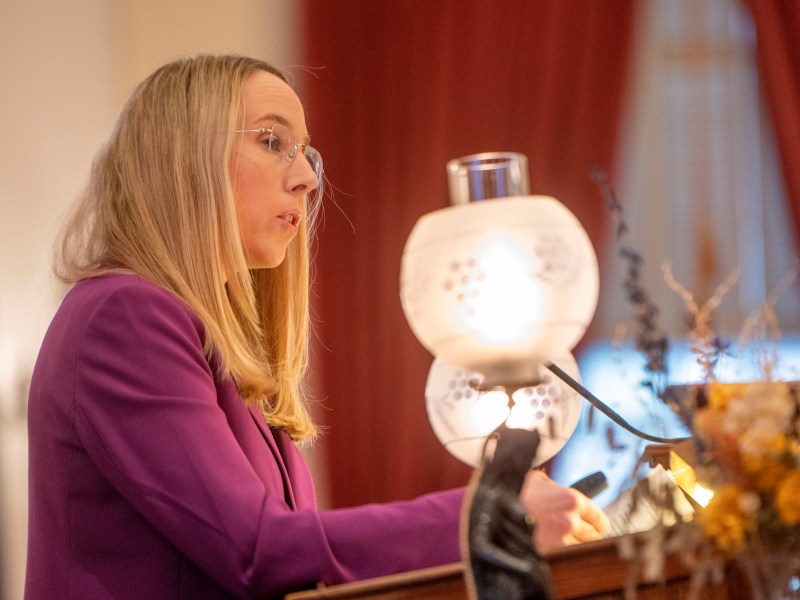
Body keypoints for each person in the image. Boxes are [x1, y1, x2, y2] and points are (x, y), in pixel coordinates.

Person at [24, 54, 609, 600]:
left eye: (306, 152)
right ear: (182, 156)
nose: (306, 176)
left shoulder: (212, 353)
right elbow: (257, 551)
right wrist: (487, 514)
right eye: (274, 141)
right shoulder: (123, 316)